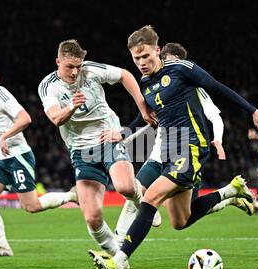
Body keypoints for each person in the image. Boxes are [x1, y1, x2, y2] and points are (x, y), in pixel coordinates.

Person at [89, 25, 258, 269]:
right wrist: (123, 133)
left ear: (158, 51)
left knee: (149, 198)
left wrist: (253, 111)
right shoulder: (146, 83)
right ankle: (230, 191)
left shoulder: (182, 69)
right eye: (136, 58)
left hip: (191, 145)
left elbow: (217, 88)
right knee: (180, 221)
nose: (141, 63)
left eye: (146, 57)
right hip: (169, 151)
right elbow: (148, 118)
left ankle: (118, 261)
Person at [107, 42, 250, 248]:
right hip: (160, 154)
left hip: (187, 151)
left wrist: (217, 139)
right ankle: (118, 246)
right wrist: (123, 133)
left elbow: (215, 117)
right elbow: (144, 117)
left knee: (182, 218)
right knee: (135, 193)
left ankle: (227, 195)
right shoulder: (153, 84)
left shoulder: (194, 88)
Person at [38, 39, 155, 260]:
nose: (75, 72)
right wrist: (71, 105)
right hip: (81, 151)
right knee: (92, 217)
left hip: (108, 138)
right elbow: (55, 118)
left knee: (126, 187)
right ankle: (117, 257)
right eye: (69, 67)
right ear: (58, 62)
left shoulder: (91, 70)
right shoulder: (48, 86)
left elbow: (125, 75)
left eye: (78, 66)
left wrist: (142, 106)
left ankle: (145, 205)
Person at [0, 59, 77, 257]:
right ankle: (3, 246)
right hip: (0, 159)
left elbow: (25, 118)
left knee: (31, 206)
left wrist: (5, 137)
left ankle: (71, 196)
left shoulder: (2, 95)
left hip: (18, 156)